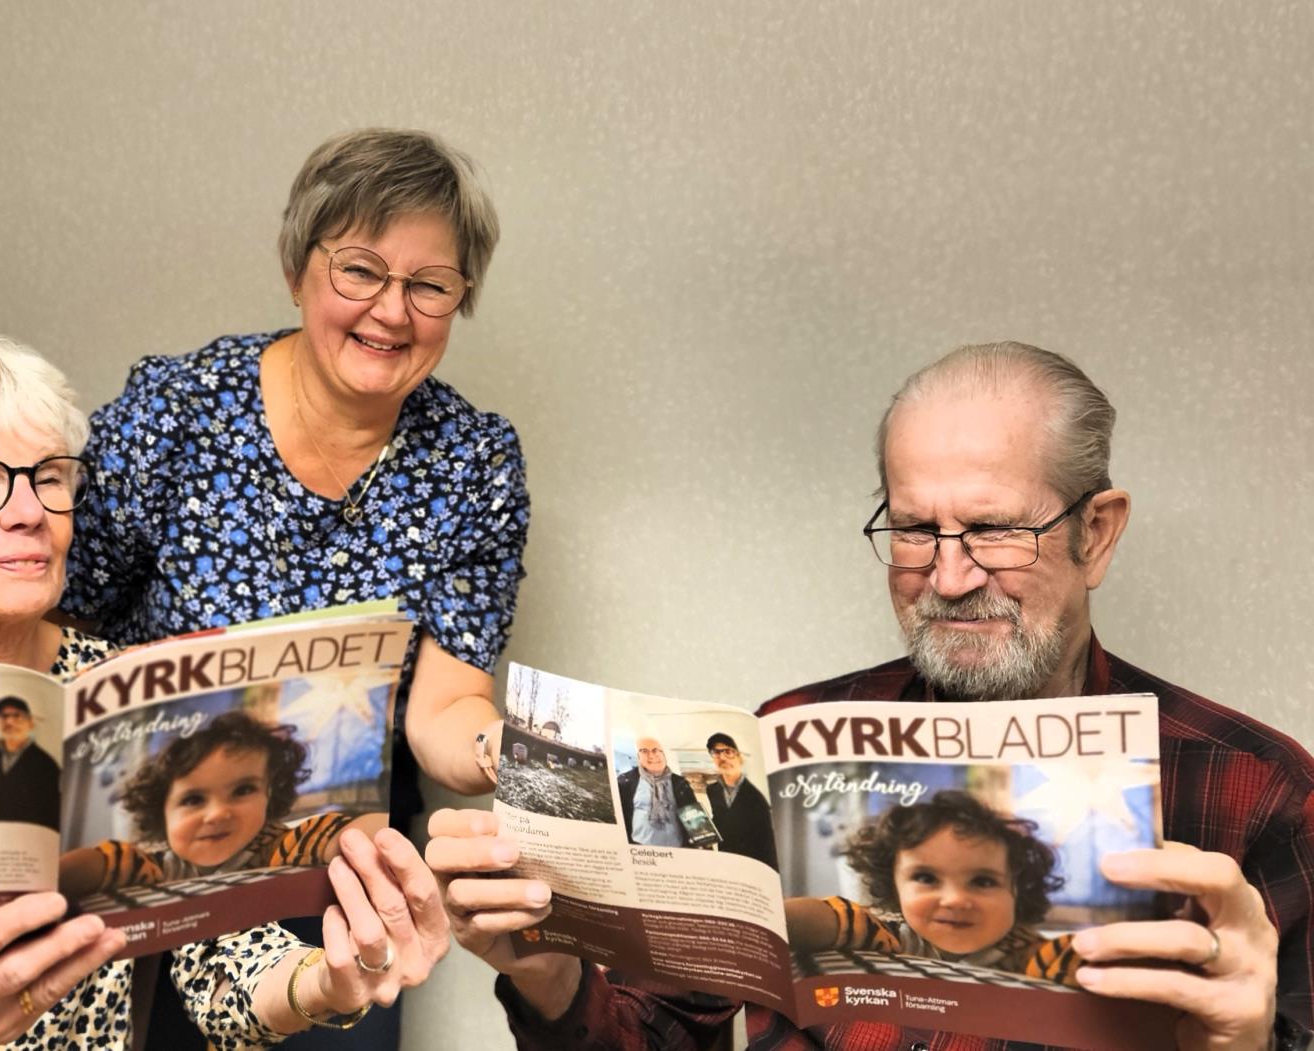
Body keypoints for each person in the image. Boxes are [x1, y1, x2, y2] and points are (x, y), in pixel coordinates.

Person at [428, 342, 1314, 1051]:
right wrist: (549, 975)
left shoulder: (1259, 793)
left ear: (1098, 532)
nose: (951, 575)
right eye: (917, 529)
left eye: (996, 529)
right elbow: (660, 1036)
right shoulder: (783, 744)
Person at [0, 337, 450, 1051]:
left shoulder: (135, 699)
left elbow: (224, 959)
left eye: (50, 476)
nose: (29, 510)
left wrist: (326, 982)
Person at [61, 128, 527, 1048]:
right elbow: (60, 622)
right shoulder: (175, 413)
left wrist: (538, 762)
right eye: (360, 270)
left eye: (429, 285)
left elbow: (446, 710)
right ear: (298, 269)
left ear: (459, 300)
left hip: (333, 874)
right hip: (144, 848)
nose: (392, 312)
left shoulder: (476, 461)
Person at [61, 710, 388, 893]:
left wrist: (380, 837)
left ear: (269, 794)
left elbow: (335, 833)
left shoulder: (274, 847)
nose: (217, 813)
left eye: (243, 790)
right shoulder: (158, 864)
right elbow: (102, 863)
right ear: (162, 812)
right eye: (193, 799)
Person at [785, 790, 1079, 986]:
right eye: (926, 878)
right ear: (894, 886)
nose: (954, 899)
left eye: (983, 881)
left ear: (1017, 891)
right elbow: (837, 919)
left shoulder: (1018, 946)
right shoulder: (897, 934)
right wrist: (777, 919)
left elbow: (1063, 958)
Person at [0, 695, 61, 831]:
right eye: (3, 716)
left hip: (27, 839)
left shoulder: (46, 764)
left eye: (17, 716)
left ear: (30, 723)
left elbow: (51, 813)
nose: (9, 721)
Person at [702, 732, 777, 866]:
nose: (722, 757)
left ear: (740, 758)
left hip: (750, 867)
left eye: (728, 751)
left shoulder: (757, 799)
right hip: (725, 862)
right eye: (716, 752)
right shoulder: (712, 790)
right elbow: (721, 820)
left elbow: (767, 846)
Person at [617, 737, 699, 848]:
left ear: (664, 754)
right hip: (640, 851)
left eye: (656, 750)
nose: (651, 755)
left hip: (677, 850)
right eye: (644, 751)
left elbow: (694, 817)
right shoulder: (624, 782)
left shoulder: (681, 783)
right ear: (638, 757)